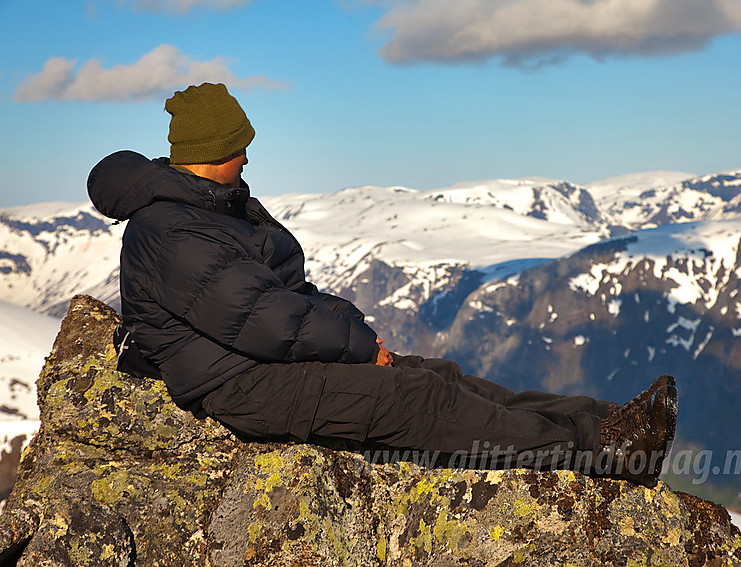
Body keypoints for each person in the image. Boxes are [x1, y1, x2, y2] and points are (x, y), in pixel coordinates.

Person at [87, 83, 677, 486]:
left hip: (260, 362)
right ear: (214, 150)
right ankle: (603, 456)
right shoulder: (170, 230)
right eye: (239, 145)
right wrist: (359, 344)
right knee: (419, 400)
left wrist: (350, 329)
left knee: (436, 375)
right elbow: (264, 321)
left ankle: (605, 424)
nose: (246, 156)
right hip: (239, 383)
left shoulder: (214, 207)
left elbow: (285, 293)